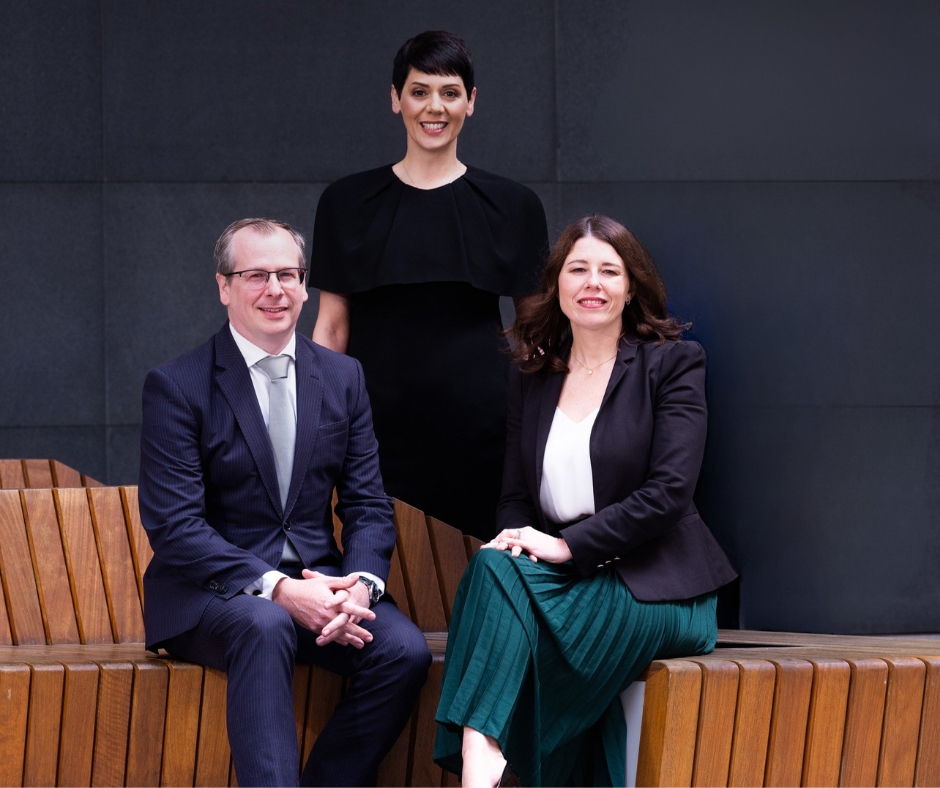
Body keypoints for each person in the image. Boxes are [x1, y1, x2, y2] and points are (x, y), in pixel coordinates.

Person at [433, 215, 738, 787]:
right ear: (557, 285)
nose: (592, 283)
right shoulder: (534, 374)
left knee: (506, 599)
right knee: (494, 564)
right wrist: (518, 539)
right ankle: (481, 750)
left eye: (608, 271)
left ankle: (483, 751)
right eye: (578, 269)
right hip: (569, 584)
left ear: (631, 287)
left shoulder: (672, 364)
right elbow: (515, 496)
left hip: (657, 586)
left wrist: (567, 546)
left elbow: (670, 493)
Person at [138, 218, 432, 787]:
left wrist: (360, 587)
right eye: (256, 275)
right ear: (224, 287)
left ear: (303, 285)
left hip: (322, 586)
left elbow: (368, 504)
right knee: (265, 623)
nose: (274, 290)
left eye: (288, 275)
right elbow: (175, 527)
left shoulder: (342, 376)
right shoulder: (178, 385)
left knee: (404, 651)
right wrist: (279, 588)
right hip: (210, 595)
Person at [309, 31, 548, 540]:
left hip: (484, 430)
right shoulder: (347, 202)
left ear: (471, 101)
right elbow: (331, 328)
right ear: (396, 99)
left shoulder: (513, 205)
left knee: (480, 566)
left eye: (449, 92)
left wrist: (532, 429)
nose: (434, 107)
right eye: (419, 91)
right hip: (372, 429)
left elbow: (535, 332)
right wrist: (321, 426)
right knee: (376, 561)